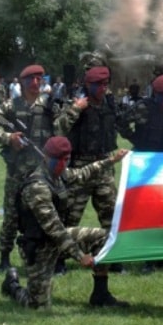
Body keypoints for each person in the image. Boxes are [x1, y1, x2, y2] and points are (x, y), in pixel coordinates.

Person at [0, 136, 130, 309]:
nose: (62, 165)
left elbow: (82, 173)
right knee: (37, 306)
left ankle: (100, 294)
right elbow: (54, 229)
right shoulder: (37, 187)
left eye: (66, 160)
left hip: (59, 240)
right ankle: (12, 286)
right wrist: (80, 256)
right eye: (58, 160)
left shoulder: (60, 175)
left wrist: (112, 160)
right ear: (46, 157)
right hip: (39, 246)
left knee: (104, 238)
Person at [0, 64, 57, 271]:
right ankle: (4, 256)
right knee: (12, 215)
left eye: (39, 79)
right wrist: (9, 138)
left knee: (44, 214)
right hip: (17, 171)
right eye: (31, 79)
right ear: (22, 82)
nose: (35, 83)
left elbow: (62, 129)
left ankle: (43, 257)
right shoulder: (10, 106)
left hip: (41, 172)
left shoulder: (49, 106)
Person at [54, 65, 124, 273]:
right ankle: (59, 260)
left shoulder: (109, 104)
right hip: (80, 168)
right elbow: (58, 128)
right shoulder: (76, 103)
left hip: (104, 167)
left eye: (105, 84)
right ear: (88, 85)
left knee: (110, 216)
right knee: (70, 216)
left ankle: (113, 258)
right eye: (97, 85)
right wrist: (76, 109)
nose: (102, 88)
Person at [117, 73, 163, 273]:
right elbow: (121, 123)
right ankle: (148, 257)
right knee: (148, 211)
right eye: (162, 95)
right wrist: (136, 141)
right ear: (155, 94)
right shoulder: (143, 106)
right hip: (147, 164)